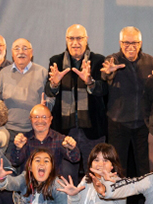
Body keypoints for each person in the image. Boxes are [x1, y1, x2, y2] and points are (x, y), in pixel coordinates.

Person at [46, 24, 107, 179]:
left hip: (92, 130)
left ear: (86, 40)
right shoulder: (56, 61)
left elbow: (104, 90)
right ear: (66, 40)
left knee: (95, 175)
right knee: (65, 176)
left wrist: (90, 82)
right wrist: (54, 84)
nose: (75, 43)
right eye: (71, 38)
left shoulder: (98, 61)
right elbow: (49, 91)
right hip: (65, 130)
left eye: (79, 38)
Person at [102, 27, 153, 176]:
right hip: (118, 124)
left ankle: (145, 200)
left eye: (135, 43)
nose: (131, 46)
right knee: (117, 169)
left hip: (143, 125)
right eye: (126, 42)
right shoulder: (112, 60)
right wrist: (109, 73)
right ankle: (118, 199)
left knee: (145, 170)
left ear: (141, 43)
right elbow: (105, 76)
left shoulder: (150, 61)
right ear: (120, 43)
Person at [0, 38, 49, 137]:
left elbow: (51, 99)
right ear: (12, 53)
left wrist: (45, 106)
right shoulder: (3, 74)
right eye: (17, 49)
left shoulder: (42, 73)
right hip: (8, 130)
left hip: (34, 131)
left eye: (25, 49)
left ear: (31, 53)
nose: (21, 52)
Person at [10, 104, 80, 172]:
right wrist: (18, 148)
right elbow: (15, 162)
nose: (40, 121)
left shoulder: (60, 139)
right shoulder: (23, 140)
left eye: (44, 117)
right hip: (29, 181)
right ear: (30, 119)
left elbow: (75, 159)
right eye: (36, 117)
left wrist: (72, 148)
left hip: (53, 181)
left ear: (51, 119)